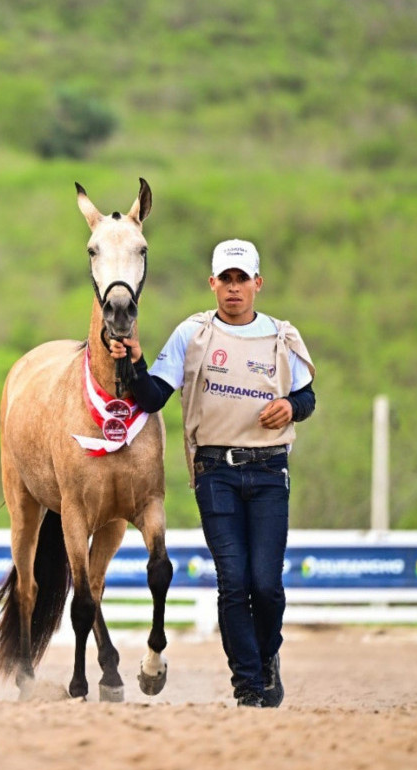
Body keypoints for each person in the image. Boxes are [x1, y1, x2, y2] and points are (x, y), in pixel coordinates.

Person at [109, 239, 316, 708]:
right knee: (233, 582)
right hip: (214, 472)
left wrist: (289, 407)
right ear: (213, 284)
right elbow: (151, 397)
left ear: (258, 284)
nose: (234, 288)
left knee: (266, 584)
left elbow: (307, 398)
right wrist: (135, 362)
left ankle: (267, 660)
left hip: (268, 471)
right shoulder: (193, 335)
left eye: (243, 279)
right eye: (226, 279)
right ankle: (246, 684)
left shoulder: (281, 337)